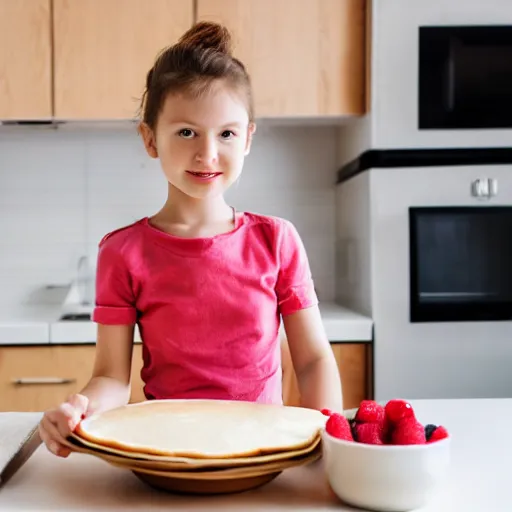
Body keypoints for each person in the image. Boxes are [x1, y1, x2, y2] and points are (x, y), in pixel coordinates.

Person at [38, 21, 343, 458]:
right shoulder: (122, 252)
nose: (208, 153)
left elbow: (313, 361)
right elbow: (111, 379)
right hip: (165, 455)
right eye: (186, 132)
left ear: (248, 138)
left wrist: (328, 443)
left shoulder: (277, 240)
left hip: (262, 453)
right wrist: (80, 411)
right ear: (150, 139)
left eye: (226, 133)